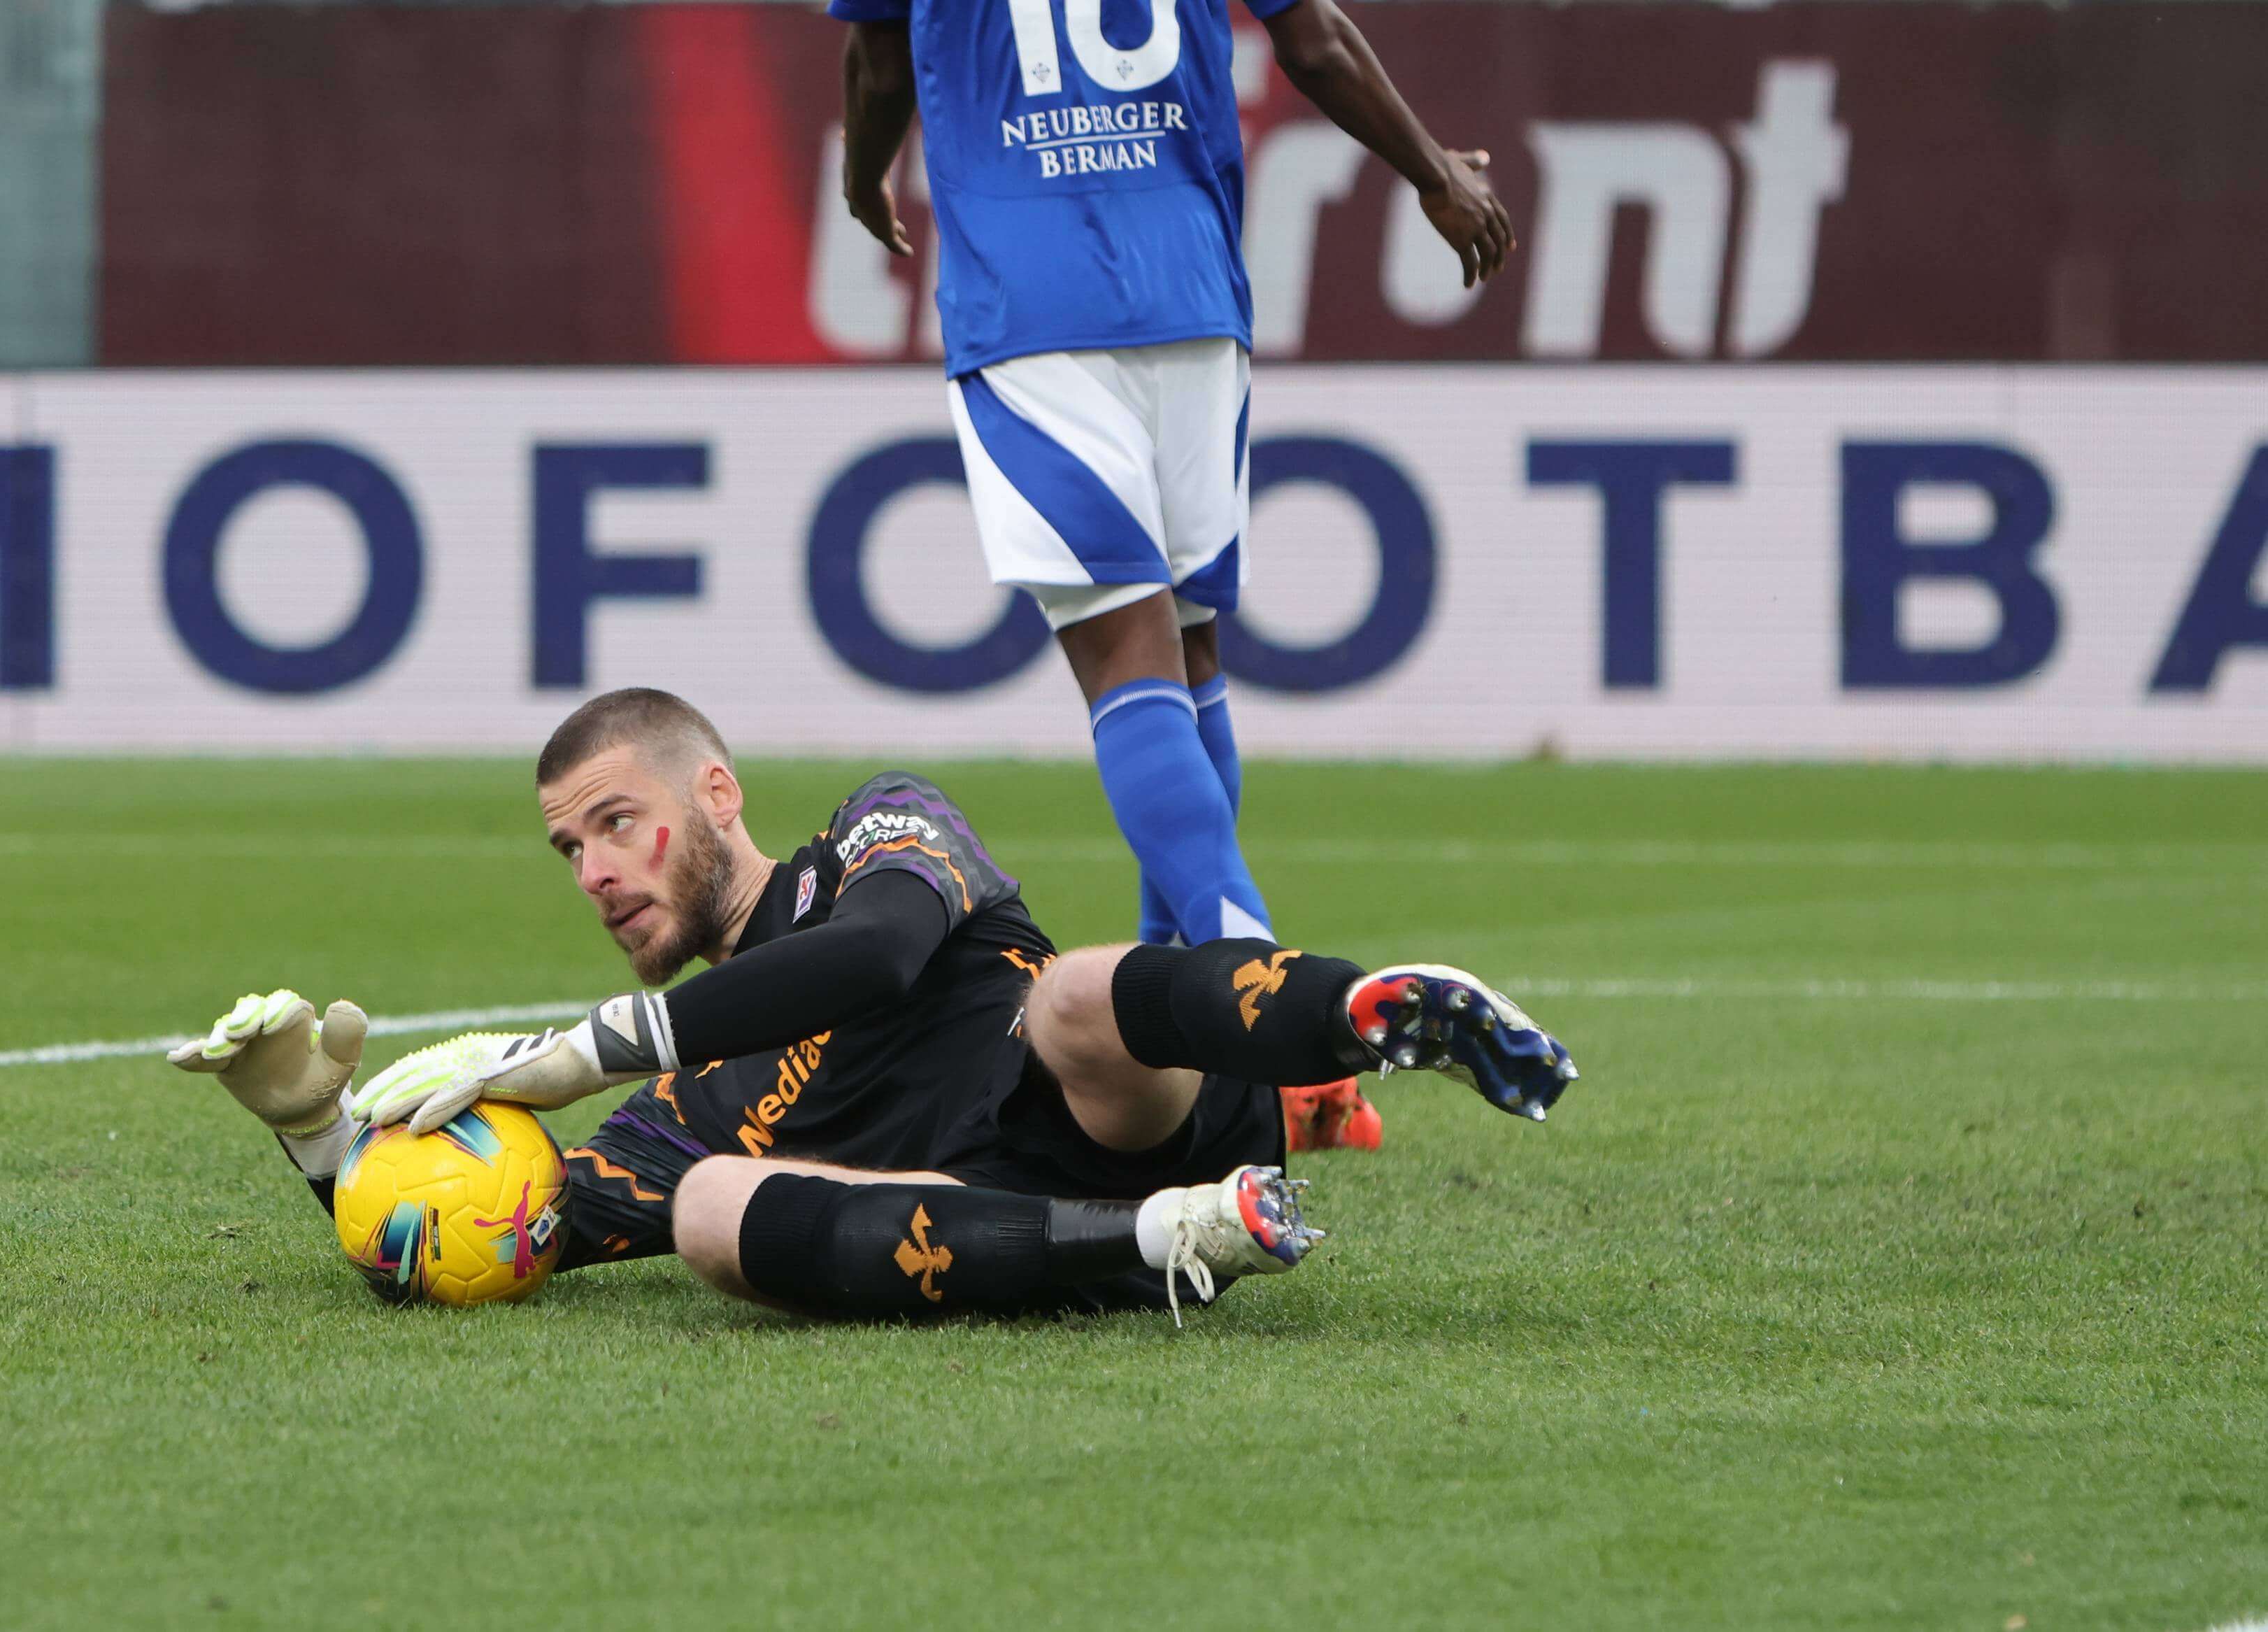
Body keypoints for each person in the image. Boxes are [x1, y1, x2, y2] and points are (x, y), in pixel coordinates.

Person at [170, 689, 1574, 1321]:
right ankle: (1157, 1247)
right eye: (569, 851)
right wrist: (315, 1136)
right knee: (712, 1213)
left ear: (714, 794)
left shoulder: (878, 836)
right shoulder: (681, 1111)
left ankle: (1375, 1013)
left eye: (617, 823)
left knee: (1078, 994)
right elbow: (481, 1238)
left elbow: (880, 959)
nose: (595, 871)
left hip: (1133, 1106)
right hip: (1017, 1222)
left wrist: (587, 1051)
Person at [831, 0, 1512, 1149]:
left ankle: (1276, 1012)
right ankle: (1202, 1043)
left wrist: (863, 176)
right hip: (1191, 292)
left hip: (1033, 300)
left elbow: (880, 56)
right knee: (1188, 661)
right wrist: (1433, 169)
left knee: (1125, 661)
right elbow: (1315, 39)